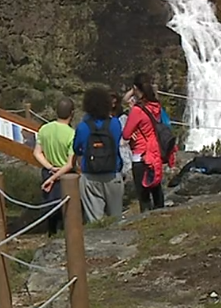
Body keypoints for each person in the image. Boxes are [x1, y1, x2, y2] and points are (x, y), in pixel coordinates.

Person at [42, 87, 125, 223]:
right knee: (116, 219)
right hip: (113, 175)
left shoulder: (82, 127)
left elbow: (77, 149)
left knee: (95, 221)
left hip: (90, 177)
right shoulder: (115, 124)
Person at [123, 73, 175, 212]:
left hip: (141, 155)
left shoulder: (137, 110)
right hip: (155, 153)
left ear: (135, 88)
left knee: (144, 195)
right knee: (157, 190)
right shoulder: (155, 105)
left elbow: (126, 134)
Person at [32, 97, 75, 236]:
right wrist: (57, 174)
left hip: (48, 171)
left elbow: (37, 152)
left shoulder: (44, 129)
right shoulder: (71, 134)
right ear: (72, 113)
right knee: (65, 207)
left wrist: (50, 167)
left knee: (50, 205)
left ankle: (51, 233)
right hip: (65, 174)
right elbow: (70, 163)